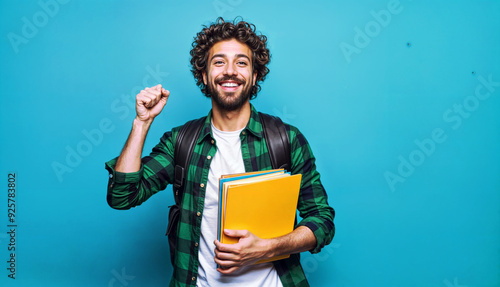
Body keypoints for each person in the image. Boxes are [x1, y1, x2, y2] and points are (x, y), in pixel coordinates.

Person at [105, 17, 335, 287]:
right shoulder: (182, 141)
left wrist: (269, 248)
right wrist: (142, 123)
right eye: (219, 62)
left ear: (255, 74)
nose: (230, 71)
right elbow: (122, 196)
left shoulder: (286, 139)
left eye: (241, 62)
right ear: (204, 75)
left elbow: (322, 221)